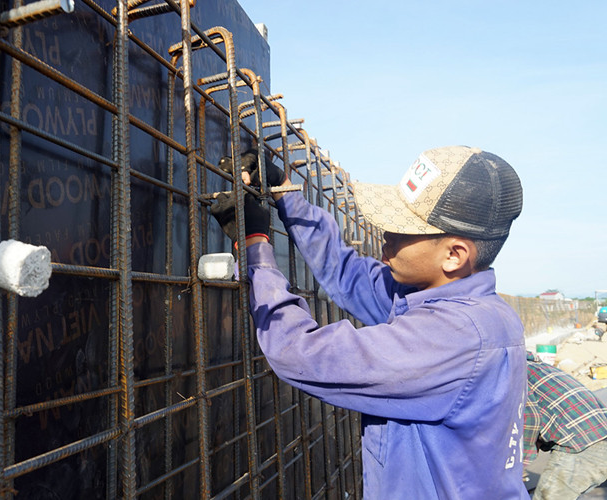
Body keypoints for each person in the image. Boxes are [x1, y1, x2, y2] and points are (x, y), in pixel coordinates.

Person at [210, 145, 529, 499]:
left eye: (401, 229)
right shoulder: (463, 306)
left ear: (454, 254)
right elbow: (346, 272)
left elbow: (301, 353)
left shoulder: (454, 336)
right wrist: (284, 190)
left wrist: (255, 245)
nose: (385, 236)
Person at [523, 352, 607, 499]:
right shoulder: (541, 368)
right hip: (599, 438)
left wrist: (518, 464)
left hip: (582, 447)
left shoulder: (519, 378)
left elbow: (530, 423)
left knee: (547, 496)